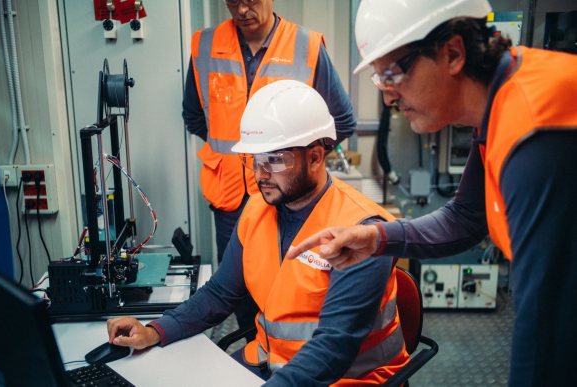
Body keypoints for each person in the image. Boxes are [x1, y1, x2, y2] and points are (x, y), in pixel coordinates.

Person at [287, 1, 577, 386]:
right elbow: (467, 218)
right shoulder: (497, 106)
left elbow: (545, 333)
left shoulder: (537, 133)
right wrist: (376, 237)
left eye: (392, 73)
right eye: (380, 79)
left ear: (453, 52)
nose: (388, 96)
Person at [108, 81, 409, 386]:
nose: (261, 174)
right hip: (270, 363)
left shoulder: (361, 230)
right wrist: (155, 331)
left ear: (316, 157)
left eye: (275, 160)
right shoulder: (257, 209)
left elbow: (333, 347)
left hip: (347, 379)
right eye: (255, 159)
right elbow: (220, 293)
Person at [183, 0, 356, 335]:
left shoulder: (306, 46)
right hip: (232, 197)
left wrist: (301, 168)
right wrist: (238, 154)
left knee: (297, 286)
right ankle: (257, 353)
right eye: (233, 0)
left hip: (291, 199)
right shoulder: (204, 46)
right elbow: (194, 116)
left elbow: (342, 122)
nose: (242, 9)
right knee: (241, 290)